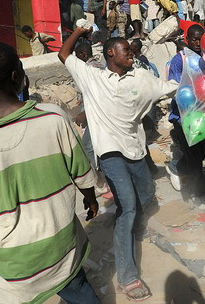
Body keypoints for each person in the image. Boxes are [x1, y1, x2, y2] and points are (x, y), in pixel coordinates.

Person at [0, 42, 101, 304]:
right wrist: (91, 199)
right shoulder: (53, 119)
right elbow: (82, 174)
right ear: (17, 76)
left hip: (13, 264)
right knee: (80, 292)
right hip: (61, 248)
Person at [59, 27, 178, 301]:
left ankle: (125, 227)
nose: (131, 54)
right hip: (110, 153)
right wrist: (79, 30)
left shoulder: (141, 76)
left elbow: (169, 88)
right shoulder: (92, 77)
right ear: (111, 53)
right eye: (126, 50)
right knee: (127, 206)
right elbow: (63, 54)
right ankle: (128, 276)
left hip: (135, 150)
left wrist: (199, 82)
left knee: (146, 196)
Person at [165, 24, 205, 200]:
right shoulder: (179, 60)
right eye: (194, 39)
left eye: (200, 39)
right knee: (195, 157)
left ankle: (176, 166)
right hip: (182, 117)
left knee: (200, 153)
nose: (197, 42)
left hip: (201, 115)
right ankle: (198, 192)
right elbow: (175, 85)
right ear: (187, 39)